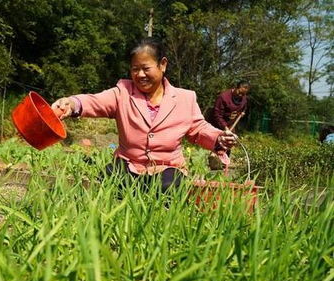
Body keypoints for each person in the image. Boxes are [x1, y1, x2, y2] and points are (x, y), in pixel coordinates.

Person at [51, 38, 237, 192]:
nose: (140, 75)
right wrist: (72, 103)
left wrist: (219, 138)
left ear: (162, 65)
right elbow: (94, 101)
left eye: (146, 68)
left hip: (167, 168)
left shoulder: (185, 98)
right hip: (128, 165)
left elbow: (198, 129)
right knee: (107, 182)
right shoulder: (123, 92)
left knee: (169, 186)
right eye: (134, 69)